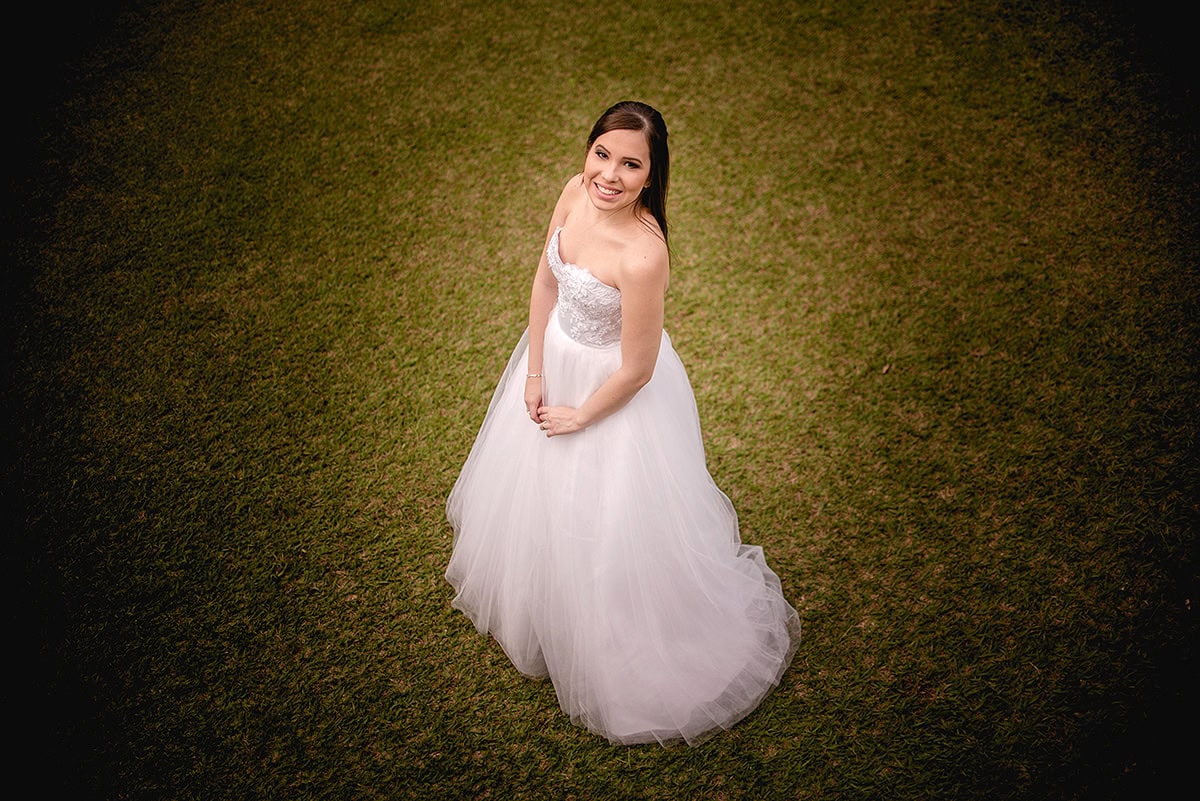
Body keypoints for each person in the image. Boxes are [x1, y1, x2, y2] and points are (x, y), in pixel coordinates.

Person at [446, 101, 799, 746]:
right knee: (539, 493)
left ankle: (613, 628)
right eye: (602, 154)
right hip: (555, 359)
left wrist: (581, 414)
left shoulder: (644, 255)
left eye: (630, 164)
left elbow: (636, 369)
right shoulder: (573, 193)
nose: (609, 174)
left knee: (607, 516)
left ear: (650, 175)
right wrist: (534, 372)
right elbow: (544, 283)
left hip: (610, 390)